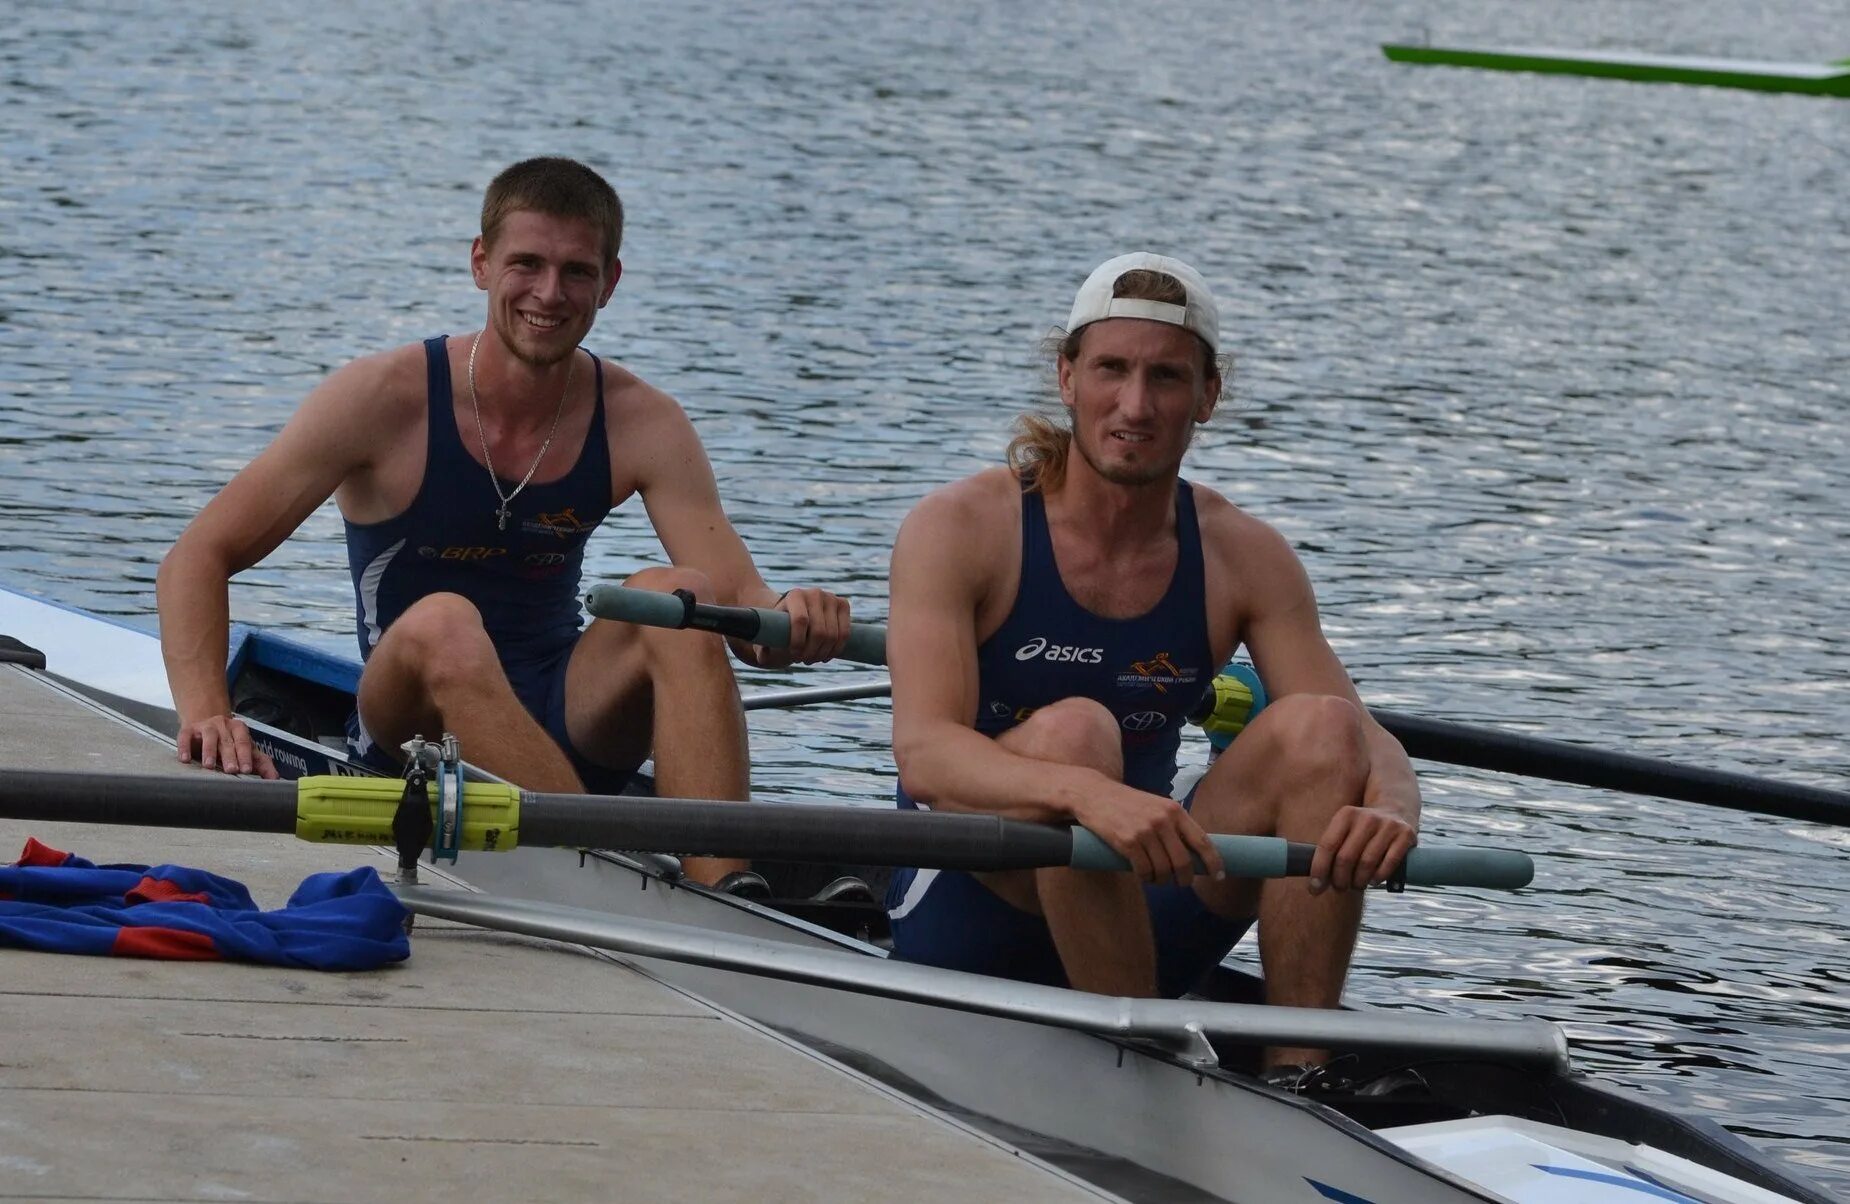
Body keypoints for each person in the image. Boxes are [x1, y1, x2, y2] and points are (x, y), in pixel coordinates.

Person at [156, 156, 850, 887]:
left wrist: (797, 619)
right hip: (407, 728)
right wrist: (207, 712)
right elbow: (198, 556)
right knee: (444, 621)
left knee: (680, 594)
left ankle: (722, 895)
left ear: (610, 283)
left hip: (565, 713)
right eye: (527, 264)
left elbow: (746, 611)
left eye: (577, 272)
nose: (550, 295)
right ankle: (606, 870)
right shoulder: (381, 399)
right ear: (481, 264)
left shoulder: (645, 420)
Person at [882, 252, 1420, 1074]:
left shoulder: (1243, 554)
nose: (1135, 406)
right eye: (1111, 371)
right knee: (1075, 735)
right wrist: (1087, 791)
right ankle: (1145, 1066)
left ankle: (1302, 1074)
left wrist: (1394, 806)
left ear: (1207, 396)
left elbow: (1360, 732)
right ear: (1067, 379)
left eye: (1166, 378)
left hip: (1144, 909)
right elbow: (923, 753)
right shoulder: (962, 527)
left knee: (1320, 730)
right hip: (971, 917)